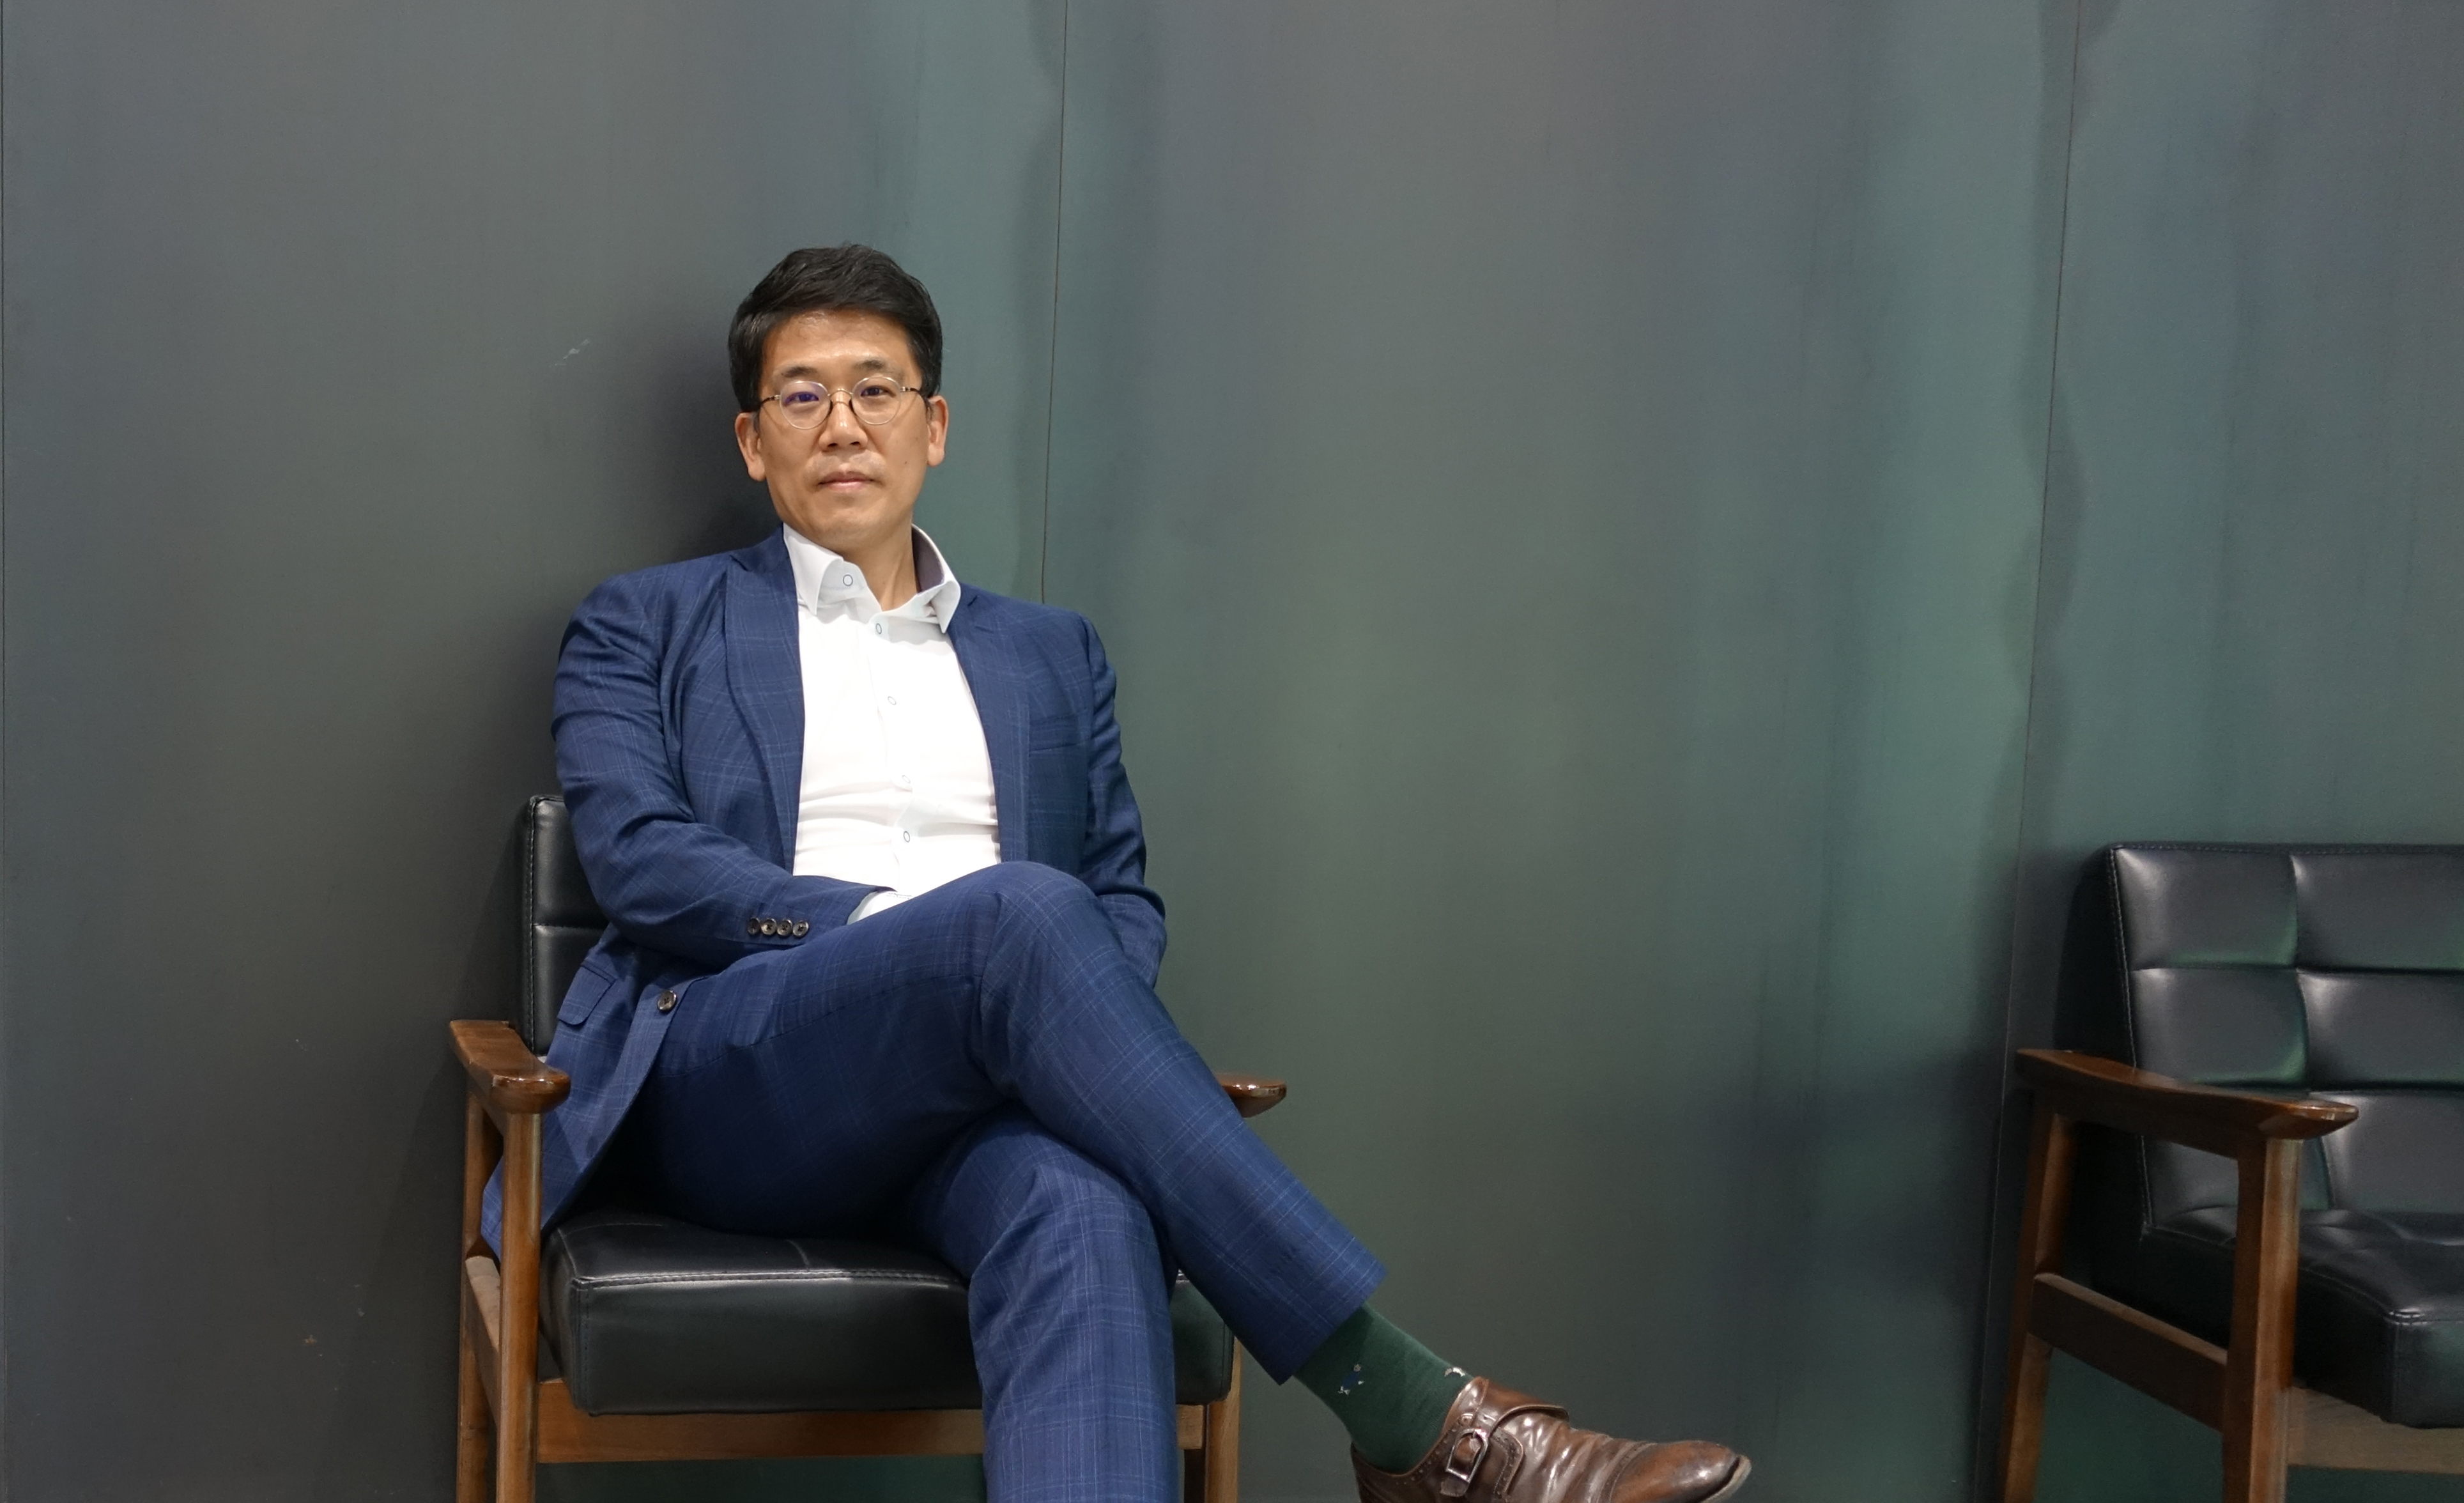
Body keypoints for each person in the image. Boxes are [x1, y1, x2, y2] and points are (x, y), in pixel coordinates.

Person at [484, 245, 1750, 1503]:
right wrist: (920, 938)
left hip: (982, 1099)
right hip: (744, 1073)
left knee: (1082, 1207)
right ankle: (1414, 1415)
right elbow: (643, 862)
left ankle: (1423, 1440)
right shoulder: (645, 622)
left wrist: (1027, 1005)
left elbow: (1120, 898)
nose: (843, 425)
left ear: (934, 426)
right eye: (802, 396)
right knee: (1014, 915)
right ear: (753, 443)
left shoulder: (1050, 655)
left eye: (876, 390)